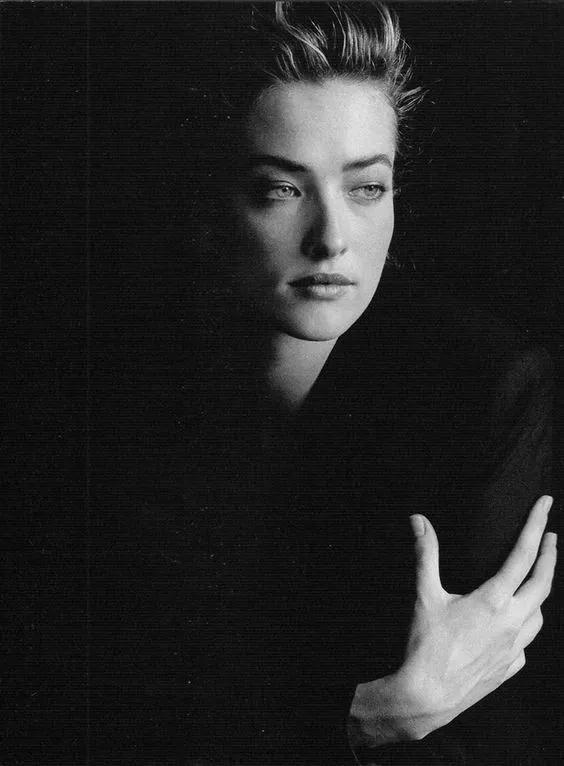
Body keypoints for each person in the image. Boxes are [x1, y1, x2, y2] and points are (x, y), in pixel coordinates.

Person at [90, 2, 557, 764]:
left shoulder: (486, 390)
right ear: (210, 208)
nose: (332, 238)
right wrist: (368, 716)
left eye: (367, 188)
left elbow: (492, 732)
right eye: (281, 189)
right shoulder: (115, 396)